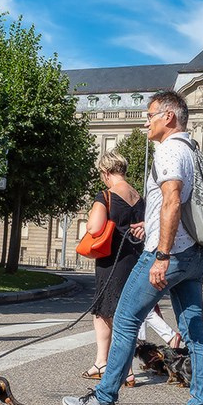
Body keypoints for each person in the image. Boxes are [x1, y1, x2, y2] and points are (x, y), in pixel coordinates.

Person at [62, 90, 203, 405]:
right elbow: (177, 204)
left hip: (168, 254)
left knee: (125, 319)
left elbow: (172, 201)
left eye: (150, 115)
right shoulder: (192, 150)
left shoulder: (169, 150)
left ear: (168, 117)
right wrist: (150, 224)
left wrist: (161, 254)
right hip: (194, 253)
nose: (145, 122)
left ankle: (104, 399)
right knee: (194, 331)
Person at [82, 151, 146, 381]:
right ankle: (119, 367)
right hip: (135, 259)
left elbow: (94, 228)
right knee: (124, 312)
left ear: (106, 172)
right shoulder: (138, 197)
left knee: (104, 312)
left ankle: (110, 365)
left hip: (112, 260)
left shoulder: (105, 196)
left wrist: (92, 215)